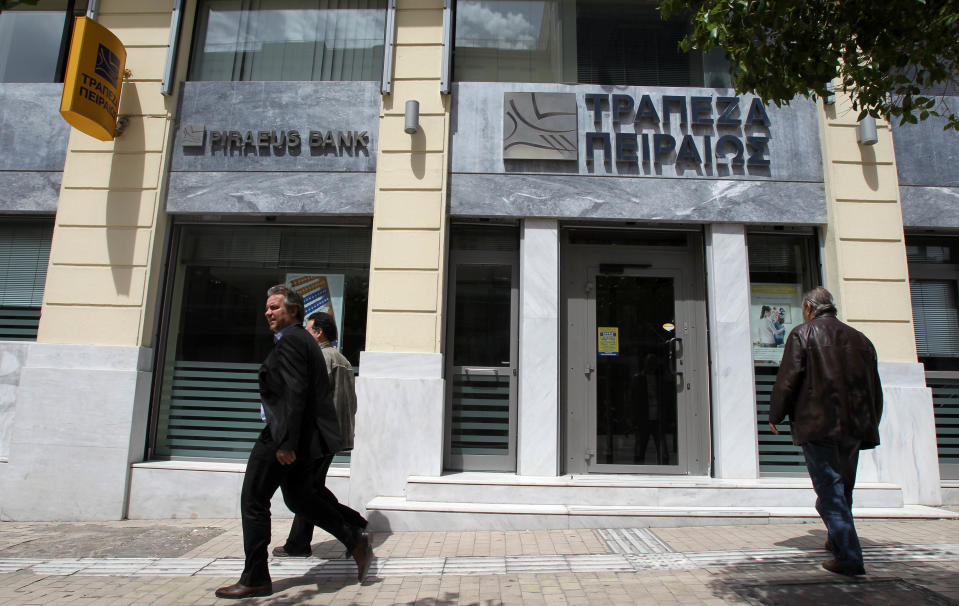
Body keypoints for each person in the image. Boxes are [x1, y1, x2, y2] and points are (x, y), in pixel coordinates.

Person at [215, 285, 372, 599]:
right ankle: (353, 538)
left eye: (274, 307)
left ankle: (256, 577)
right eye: (267, 307)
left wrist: (285, 442)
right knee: (300, 498)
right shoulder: (301, 341)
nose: (268, 313)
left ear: (293, 311)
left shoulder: (292, 342)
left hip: (281, 436)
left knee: (254, 501)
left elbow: (294, 393)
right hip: (299, 436)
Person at [768, 287, 883, 577]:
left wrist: (776, 413)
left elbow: (788, 378)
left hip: (817, 423)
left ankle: (848, 557)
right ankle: (837, 540)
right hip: (854, 426)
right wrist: (871, 422)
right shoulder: (861, 341)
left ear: (809, 307)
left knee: (830, 491)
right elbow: (875, 389)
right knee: (842, 488)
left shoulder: (803, 334)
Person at [273, 311, 367, 558]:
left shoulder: (322, 358)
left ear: (319, 332)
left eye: (308, 329)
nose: (304, 333)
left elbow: (309, 397)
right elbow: (352, 404)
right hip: (333, 436)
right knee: (311, 489)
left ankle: (346, 528)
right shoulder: (343, 360)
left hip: (318, 437)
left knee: (304, 491)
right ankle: (347, 525)